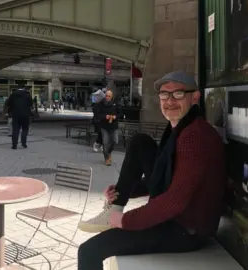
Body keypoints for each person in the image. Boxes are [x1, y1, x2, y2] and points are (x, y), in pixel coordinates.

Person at [76, 71, 226, 270]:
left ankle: (116, 211)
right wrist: (125, 191)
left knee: (89, 251)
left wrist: (126, 220)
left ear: (195, 97)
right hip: (180, 220)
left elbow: (175, 200)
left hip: (186, 230)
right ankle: (116, 204)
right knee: (140, 142)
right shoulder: (181, 128)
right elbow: (168, 178)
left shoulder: (194, 136)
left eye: (178, 94)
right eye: (165, 95)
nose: (170, 101)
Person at [96, 89, 122, 166]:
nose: (107, 97)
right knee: (105, 142)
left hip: (114, 126)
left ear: (112, 97)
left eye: (109, 96)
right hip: (104, 126)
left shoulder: (116, 104)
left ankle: (109, 152)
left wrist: (115, 116)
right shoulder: (101, 104)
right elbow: (98, 114)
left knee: (115, 141)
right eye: (106, 95)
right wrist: (105, 116)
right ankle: (106, 158)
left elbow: (120, 113)